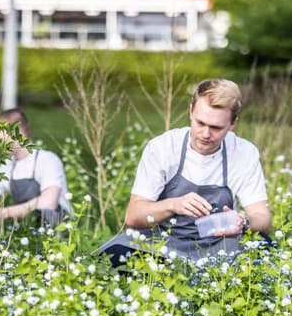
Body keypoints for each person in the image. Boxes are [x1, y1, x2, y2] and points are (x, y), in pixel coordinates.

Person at [98, 79, 271, 264]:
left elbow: (262, 217)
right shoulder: (163, 147)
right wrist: (173, 205)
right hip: (160, 246)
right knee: (115, 254)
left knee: (264, 246)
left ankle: (201, 274)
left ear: (232, 123)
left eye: (216, 128)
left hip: (217, 248)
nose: (206, 134)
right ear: (191, 112)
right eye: (200, 123)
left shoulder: (244, 152)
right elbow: (133, 216)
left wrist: (243, 223)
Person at [0, 109, 74, 228]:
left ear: (18, 131)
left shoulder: (47, 160)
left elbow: (48, 202)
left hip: (59, 229)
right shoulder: (9, 164)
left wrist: (5, 213)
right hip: (31, 227)